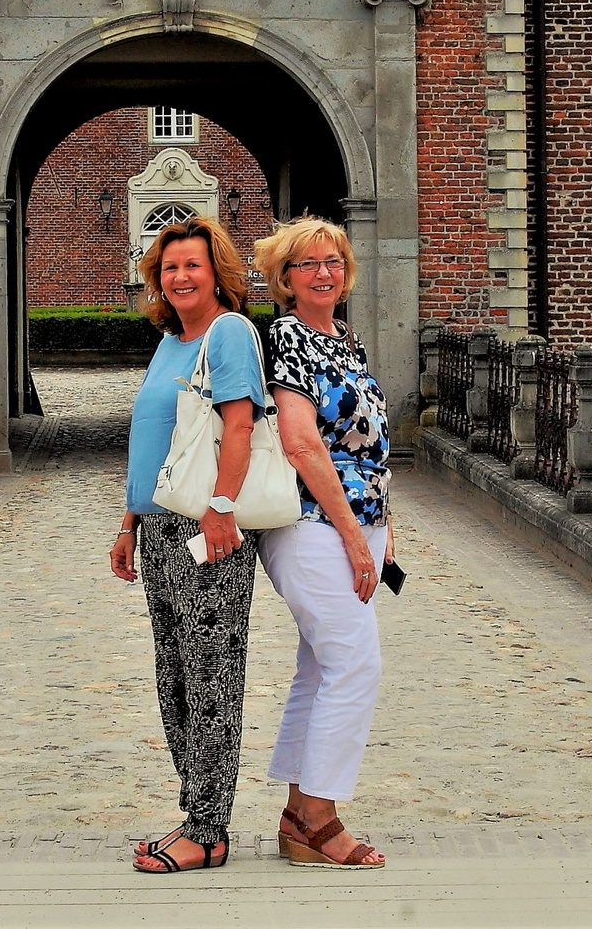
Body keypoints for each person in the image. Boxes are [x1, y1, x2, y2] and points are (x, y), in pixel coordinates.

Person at [110, 215, 266, 874]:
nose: (178, 277)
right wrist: (128, 522)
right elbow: (152, 438)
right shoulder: (171, 339)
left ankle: (208, 829)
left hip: (209, 526)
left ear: (217, 272)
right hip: (159, 528)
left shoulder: (229, 332)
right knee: (175, 674)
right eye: (168, 267)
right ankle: (195, 814)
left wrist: (222, 509)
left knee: (211, 678)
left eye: (191, 266)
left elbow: (238, 426)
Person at [251, 216, 391, 870]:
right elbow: (302, 442)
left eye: (334, 260)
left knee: (319, 668)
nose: (325, 272)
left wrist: (385, 530)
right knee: (354, 663)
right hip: (311, 525)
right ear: (286, 277)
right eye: (309, 264)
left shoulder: (346, 340)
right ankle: (320, 814)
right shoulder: (287, 336)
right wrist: (353, 538)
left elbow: (367, 444)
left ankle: (296, 814)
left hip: (354, 524)